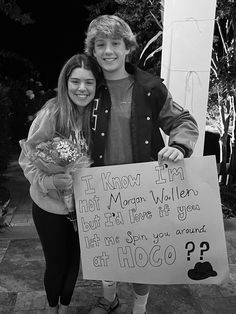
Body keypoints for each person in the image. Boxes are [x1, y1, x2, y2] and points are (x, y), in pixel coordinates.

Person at [84, 15, 199, 314]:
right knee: (105, 252)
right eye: (101, 44)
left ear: (127, 48)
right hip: (99, 189)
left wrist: (178, 146)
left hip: (142, 191)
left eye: (115, 43)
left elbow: (183, 120)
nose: (108, 51)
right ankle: (109, 299)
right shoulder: (86, 87)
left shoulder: (150, 87)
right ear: (93, 50)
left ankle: (140, 307)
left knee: (142, 254)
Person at [18, 54, 101, 314]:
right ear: (65, 83)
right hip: (50, 207)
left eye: (89, 82)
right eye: (75, 81)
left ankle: (64, 309)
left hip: (85, 208)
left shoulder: (99, 115)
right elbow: (27, 157)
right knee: (56, 264)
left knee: (75, 263)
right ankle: (51, 307)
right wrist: (48, 180)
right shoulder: (52, 112)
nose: (82, 88)